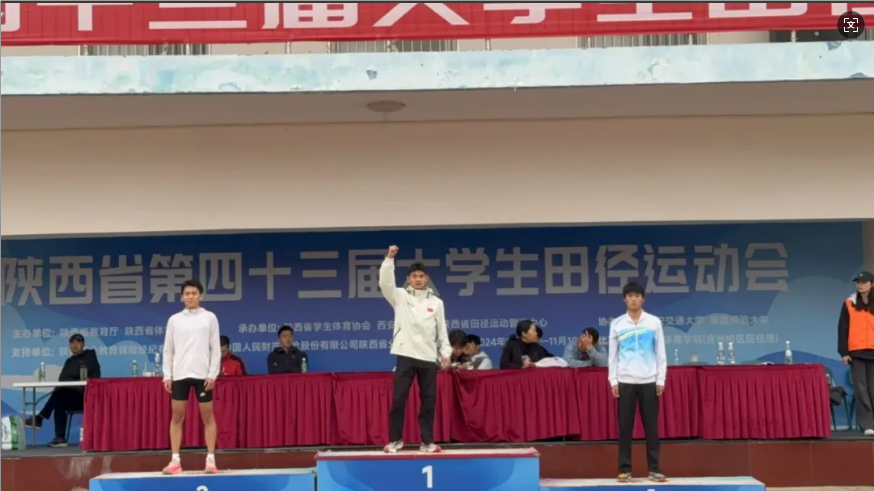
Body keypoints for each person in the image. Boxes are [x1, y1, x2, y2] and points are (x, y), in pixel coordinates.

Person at [380, 245, 450, 453]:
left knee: (428, 401)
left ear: (426, 278)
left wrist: (445, 353)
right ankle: (395, 440)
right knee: (398, 400)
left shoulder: (437, 303)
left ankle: (427, 441)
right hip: (406, 354)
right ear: (408, 279)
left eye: (421, 276)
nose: (418, 279)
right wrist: (389, 259)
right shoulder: (400, 296)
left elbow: (442, 332)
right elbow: (385, 283)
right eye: (414, 276)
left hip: (428, 357)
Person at [608, 282, 667, 482]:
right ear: (624, 299)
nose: (633, 299)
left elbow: (660, 353)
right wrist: (613, 380)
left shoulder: (653, 322)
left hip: (649, 380)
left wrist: (661, 378)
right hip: (625, 381)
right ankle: (624, 469)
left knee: (651, 427)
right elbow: (613, 355)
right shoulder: (617, 324)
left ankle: (655, 469)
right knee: (625, 427)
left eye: (637, 296)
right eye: (630, 296)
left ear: (643, 299)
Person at [161, 280, 221, 475]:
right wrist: (167, 375)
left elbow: (215, 348)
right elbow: (168, 350)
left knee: (207, 416)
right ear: (182, 297)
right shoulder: (174, 320)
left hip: (203, 375)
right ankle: (175, 460)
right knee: (177, 417)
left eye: (194, 293)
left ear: (201, 296)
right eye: (187, 293)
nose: (190, 297)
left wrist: (212, 374)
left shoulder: (210, 318)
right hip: (180, 374)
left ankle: (210, 459)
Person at [24, 333, 101, 447]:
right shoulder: (69, 361)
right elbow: (62, 380)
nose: (74, 345)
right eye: (72, 343)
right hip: (72, 397)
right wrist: (72, 382)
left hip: (87, 398)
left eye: (78, 342)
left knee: (60, 394)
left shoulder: (90, 357)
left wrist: (72, 382)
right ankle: (60, 438)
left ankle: (40, 418)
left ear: (83, 344)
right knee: (59, 400)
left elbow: (93, 378)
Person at [838, 271, 874, 436]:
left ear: (872, 285)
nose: (860, 285)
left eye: (864, 282)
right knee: (861, 389)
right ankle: (867, 425)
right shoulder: (849, 303)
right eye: (858, 282)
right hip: (857, 352)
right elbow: (842, 329)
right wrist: (844, 352)